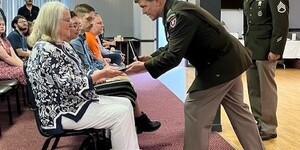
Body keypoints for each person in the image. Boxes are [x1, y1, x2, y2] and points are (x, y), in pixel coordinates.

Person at [129, 0, 265, 149]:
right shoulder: (177, 10)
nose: (143, 11)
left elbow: (173, 57)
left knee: (194, 108)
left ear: (157, 1)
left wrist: (145, 66)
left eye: (143, 6)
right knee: (239, 111)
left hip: (221, 64)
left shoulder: (178, 15)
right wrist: (152, 57)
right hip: (231, 59)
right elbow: (175, 43)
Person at [26, 2, 140, 149]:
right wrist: (99, 75)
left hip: (73, 102)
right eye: (67, 20)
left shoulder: (61, 45)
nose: (71, 24)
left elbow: (78, 73)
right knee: (121, 113)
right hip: (59, 111)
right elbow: (69, 85)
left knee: (125, 103)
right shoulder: (45, 49)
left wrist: (99, 75)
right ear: (53, 22)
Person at [71, 5, 161, 134]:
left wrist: (103, 68)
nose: (92, 23)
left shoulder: (82, 39)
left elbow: (92, 61)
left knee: (124, 81)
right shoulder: (76, 42)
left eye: (93, 20)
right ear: (78, 20)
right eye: (88, 19)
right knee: (125, 85)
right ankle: (137, 121)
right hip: (89, 84)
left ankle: (135, 121)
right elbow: (85, 68)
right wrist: (102, 72)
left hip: (92, 78)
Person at [243, 0, 289, 141]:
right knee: (254, 89)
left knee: (267, 90)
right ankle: (259, 123)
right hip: (251, 47)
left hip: (266, 49)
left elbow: (281, 22)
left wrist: (276, 49)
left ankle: (269, 127)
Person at [0, 16, 26, 84]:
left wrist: (24, 65)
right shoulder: (14, 35)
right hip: (2, 69)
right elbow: (7, 58)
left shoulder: (5, 40)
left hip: (9, 66)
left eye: (3, 25)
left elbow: (14, 56)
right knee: (25, 71)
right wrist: (24, 67)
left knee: (28, 70)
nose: (2, 26)